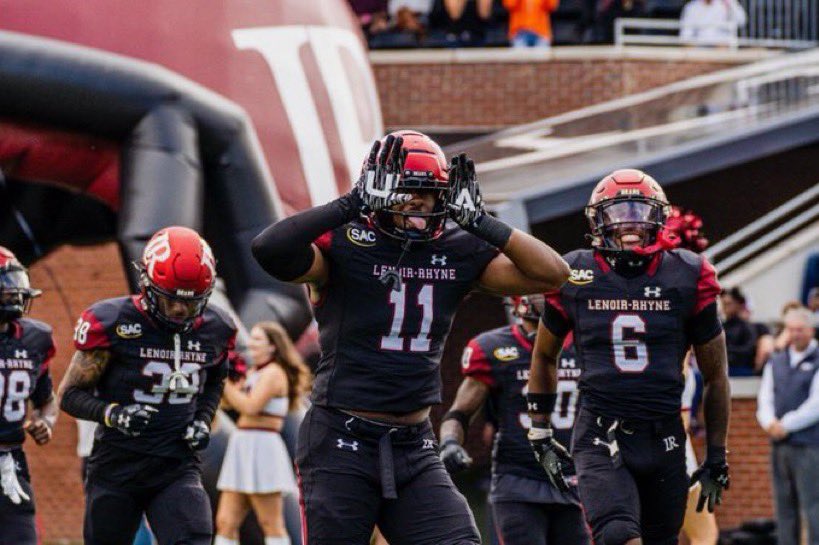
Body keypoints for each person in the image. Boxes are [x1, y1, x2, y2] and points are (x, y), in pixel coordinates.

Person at [251, 130, 570, 545]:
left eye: (430, 193)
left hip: (414, 445)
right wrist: (350, 204)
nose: (419, 202)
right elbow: (268, 248)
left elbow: (554, 274)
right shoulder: (347, 241)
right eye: (407, 190)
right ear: (377, 189)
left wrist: (483, 222)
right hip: (340, 438)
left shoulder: (458, 249)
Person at [527, 169, 731, 545]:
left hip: (665, 433)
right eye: (618, 212)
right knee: (620, 536)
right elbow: (543, 356)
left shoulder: (688, 275)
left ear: (658, 217)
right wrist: (540, 429)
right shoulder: (576, 273)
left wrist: (717, 455)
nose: (630, 223)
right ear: (598, 220)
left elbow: (716, 375)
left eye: (639, 210)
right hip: (601, 432)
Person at [58, 226, 237, 545]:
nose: (181, 310)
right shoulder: (113, 321)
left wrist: (201, 419)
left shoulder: (216, 328)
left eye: (193, 302)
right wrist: (114, 414)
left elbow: (215, 381)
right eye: (170, 301)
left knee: (193, 537)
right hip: (117, 468)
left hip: (176, 466)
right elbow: (69, 396)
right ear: (147, 285)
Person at [440, 295, 589, 545]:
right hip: (518, 481)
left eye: (547, 288)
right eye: (534, 288)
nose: (542, 294)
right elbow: (459, 413)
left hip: (575, 479)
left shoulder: (584, 343)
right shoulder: (495, 348)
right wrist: (449, 442)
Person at [216, 321, 311, 545]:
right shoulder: (253, 372)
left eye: (258, 340)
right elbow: (229, 404)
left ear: (273, 346)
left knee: (270, 523)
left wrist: (225, 383)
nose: (251, 344)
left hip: (262, 446)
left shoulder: (274, 373)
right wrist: (226, 379)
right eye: (252, 339)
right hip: (242, 445)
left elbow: (250, 406)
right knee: (225, 522)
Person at [0, 247, 57, 545]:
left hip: (10, 460)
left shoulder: (35, 339)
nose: (14, 296)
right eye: (5, 288)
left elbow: (46, 399)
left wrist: (45, 421)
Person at [756, 306, 819, 545]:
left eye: (800, 329)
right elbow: (765, 398)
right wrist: (769, 422)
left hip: (809, 446)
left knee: (813, 505)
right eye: (791, 330)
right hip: (779, 444)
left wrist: (786, 425)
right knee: (784, 505)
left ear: (811, 330)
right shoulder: (777, 361)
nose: (795, 334)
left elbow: (817, 404)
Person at [721, 287, 758, 376]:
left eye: (729, 304)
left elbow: (749, 350)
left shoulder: (746, 327)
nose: (725, 307)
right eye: (724, 304)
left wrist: (727, 350)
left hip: (740, 368)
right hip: (724, 366)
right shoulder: (721, 326)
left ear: (738, 304)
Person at [680, 0, 747, 47]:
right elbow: (685, 36)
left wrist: (731, 2)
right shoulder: (692, 7)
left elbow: (741, 21)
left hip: (723, 49)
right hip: (699, 49)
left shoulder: (726, 4)